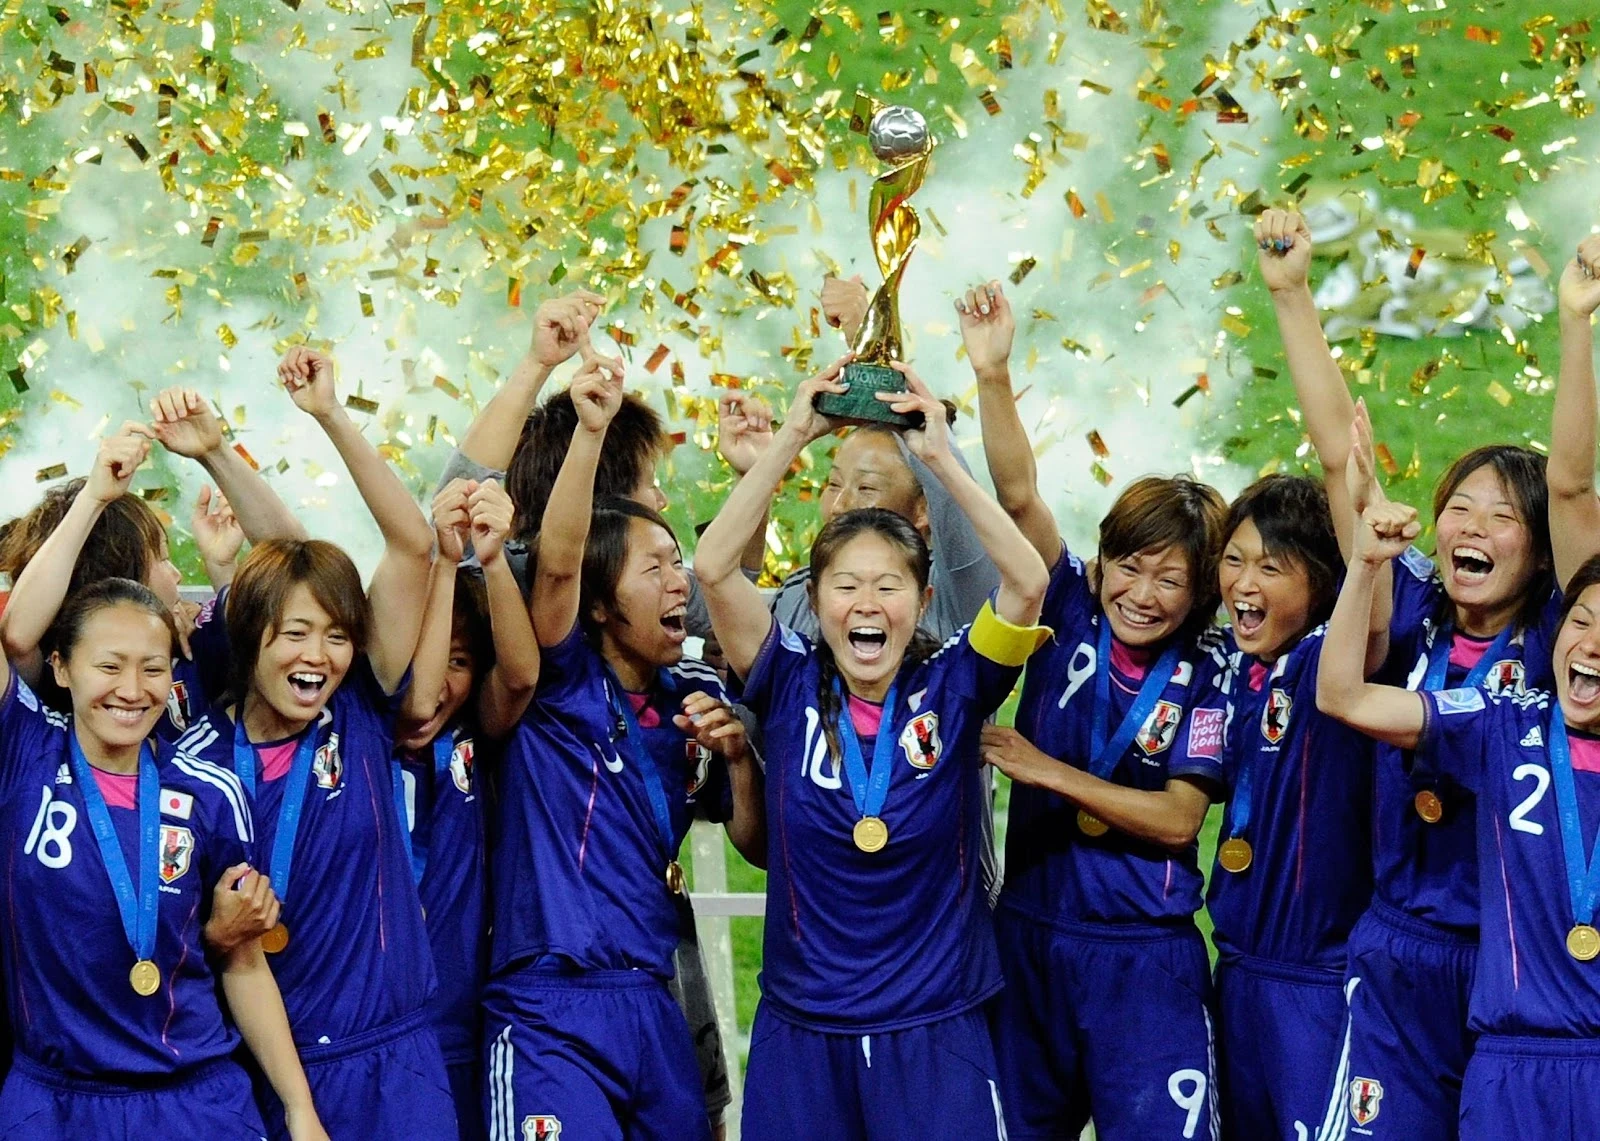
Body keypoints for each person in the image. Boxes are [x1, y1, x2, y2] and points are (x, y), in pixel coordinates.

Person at [1255, 209, 1560, 1140]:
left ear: (1541, 550)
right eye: (1457, 506)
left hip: (1515, 964)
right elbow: (1342, 455)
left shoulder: (1558, 640)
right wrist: (1292, 294)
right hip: (1395, 948)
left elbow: (1580, 491)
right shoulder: (1411, 604)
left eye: (1501, 515)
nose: (1470, 526)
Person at [696, 355, 1049, 1139]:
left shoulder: (955, 681)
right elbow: (715, 565)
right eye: (845, 585)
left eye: (888, 585)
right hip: (804, 1029)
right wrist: (795, 432)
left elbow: (1026, 580)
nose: (866, 603)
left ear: (922, 601)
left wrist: (939, 458)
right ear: (813, 600)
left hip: (935, 1025)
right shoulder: (785, 681)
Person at [962, 280, 1231, 1140]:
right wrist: (994, 375)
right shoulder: (1070, 603)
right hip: (1031, 937)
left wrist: (1042, 767)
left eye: (1170, 580)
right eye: (1130, 565)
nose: (1141, 595)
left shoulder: (1209, 674)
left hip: (1143, 952)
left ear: (1199, 595)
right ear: (1105, 558)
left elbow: (1177, 816)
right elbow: (1018, 497)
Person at [483, 352, 764, 1141]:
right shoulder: (559, 677)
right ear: (603, 604)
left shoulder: (690, 703)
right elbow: (564, 559)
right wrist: (592, 430)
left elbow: (758, 844)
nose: (682, 584)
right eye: (659, 567)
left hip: (655, 998)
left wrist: (740, 759)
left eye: (680, 564)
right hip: (550, 1006)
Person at [173, 347, 453, 1138]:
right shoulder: (193, 763)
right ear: (251, 636)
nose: (318, 656)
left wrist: (327, 415)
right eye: (296, 634)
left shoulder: (357, 709)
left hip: (395, 1061)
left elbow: (412, 546)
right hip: (259, 1072)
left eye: (336, 636)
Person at [0, 572, 326, 1138]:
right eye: (108, 665)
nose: (132, 688)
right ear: (60, 668)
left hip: (194, 1101)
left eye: (153, 668)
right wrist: (96, 496)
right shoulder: (23, 752)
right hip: (57, 1105)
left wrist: (300, 1110)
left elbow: (244, 962)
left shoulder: (210, 791)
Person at [1318, 490, 1600, 1141]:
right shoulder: (1505, 720)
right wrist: (1363, 567)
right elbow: (1342, 695)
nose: (1590, 643)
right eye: (1581, 620)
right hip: (1509, 1065)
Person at [1204, 470, 1377, 1140]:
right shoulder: (1228, 666)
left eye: (1270, 567)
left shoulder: (1328, 665)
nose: (1244, 584)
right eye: (1235, 560)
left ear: (1323, 580)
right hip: (1237, 975)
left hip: (1318, 986)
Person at [0, 387, 305, 738]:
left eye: (153, 670)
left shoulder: (194, 647)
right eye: (161, 558)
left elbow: (303, 570)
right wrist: (93, 499)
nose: (175, 572)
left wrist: (215, 452)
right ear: (120, 578)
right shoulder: (56, 671)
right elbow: (17, 635)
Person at [396, 475, 537, 1141]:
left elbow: (519, 676)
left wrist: (488, 560)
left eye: (458, 660)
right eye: (428, 656)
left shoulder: (472, 741)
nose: (440, 680)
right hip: (366, 1034)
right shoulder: (359, 739)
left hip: (459, 1035)